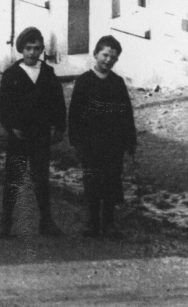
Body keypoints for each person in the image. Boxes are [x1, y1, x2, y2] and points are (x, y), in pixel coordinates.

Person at [0, 26, 67, 238]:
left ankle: (46, 221)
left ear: (42, 49)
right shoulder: (12, 74)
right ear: (21, 49)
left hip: (40, 135)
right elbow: (2, 106)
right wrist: (11, 126)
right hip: (19, 136)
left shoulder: (48, 74)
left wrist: (59, 127)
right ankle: (6, 224)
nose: (32, 53)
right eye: (28, 48)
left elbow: (58, 103)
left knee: (41, 178)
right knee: (13, 178)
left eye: (36, 48)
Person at [68, 35, 137, 239]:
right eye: (105, 55)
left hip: (113, 143)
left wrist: (130, 141)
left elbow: (126, 113)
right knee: (92, 181)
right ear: (96, 54)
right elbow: (74, 114)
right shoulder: (84, 81)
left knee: (111, 181)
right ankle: (92, 222)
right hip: (90, 143)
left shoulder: (117, 83)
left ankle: (109, 222)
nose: (108, 60)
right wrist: (76, 141)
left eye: (113, 57)